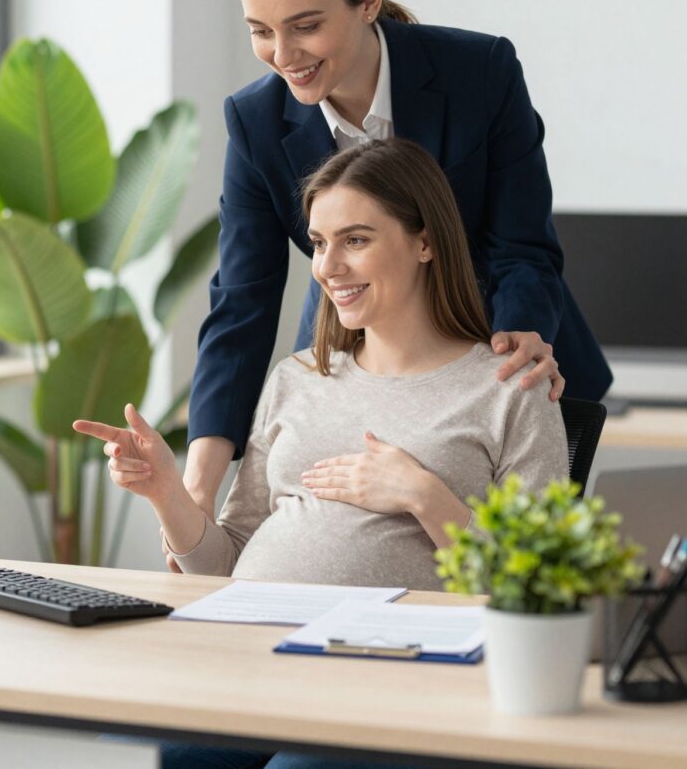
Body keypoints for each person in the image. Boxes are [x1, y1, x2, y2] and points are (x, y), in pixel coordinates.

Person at [76, 138, 568, 769]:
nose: (329, 266)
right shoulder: (297, 378)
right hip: (248, 663)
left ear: (426, 242)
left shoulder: (511, 388)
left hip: (393, 685)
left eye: (356, 240)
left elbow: (540, 595)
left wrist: (424, 497)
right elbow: (225, 567)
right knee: (141, 754)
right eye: (318, 242)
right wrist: (168, 494)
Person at [179, 0, 610, 560]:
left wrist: (522, 337)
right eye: (260, 30)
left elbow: (522, 245)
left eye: (305, 26)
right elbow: (242, 300)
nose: (282, 53)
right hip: (354, 339)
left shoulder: (479, 73)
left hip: (495, 348)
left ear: (370, 0)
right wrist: (198, 483)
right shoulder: (256, 120)